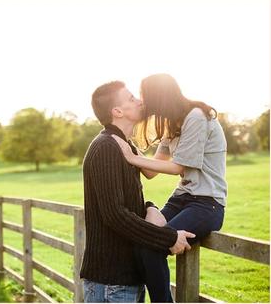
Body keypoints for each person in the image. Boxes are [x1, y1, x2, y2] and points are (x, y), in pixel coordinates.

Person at [112, 73, 227, 302]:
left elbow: (177, 167)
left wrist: (132, 158)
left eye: (144, 95)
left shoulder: (196, 117)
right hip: (182, 199)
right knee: (143, 243)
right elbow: (152, 170)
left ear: (159, 96)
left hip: (207, 204)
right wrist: (125, 140)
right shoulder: (172, 124)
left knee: (152, 247)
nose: (142, 102)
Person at [80, 80, 195, 303]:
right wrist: (169, 237)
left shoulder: (123, 145)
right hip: (111, 284)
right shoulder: (106, 147)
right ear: (118, 111)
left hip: (124, 280)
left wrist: (149, 207)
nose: (140, 101)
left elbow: (123, 201)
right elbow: (114, 214)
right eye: (132, 98)